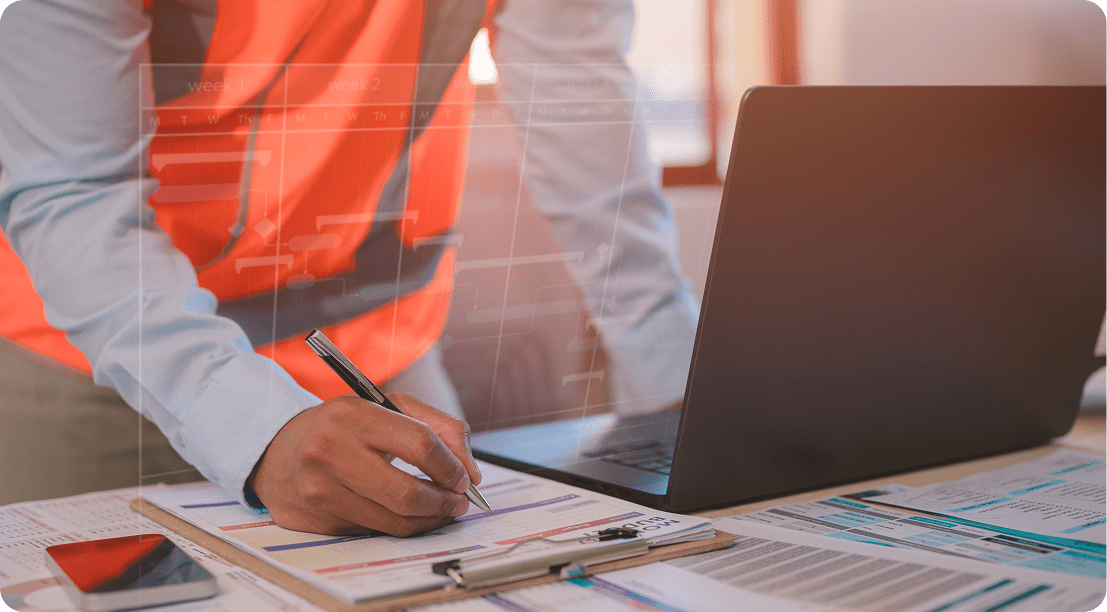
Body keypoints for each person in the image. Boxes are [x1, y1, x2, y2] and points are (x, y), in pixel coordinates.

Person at [0, 0, 700, 535]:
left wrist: (673, 372)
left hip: (374, 343)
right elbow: (74, 191)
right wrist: (252, 423)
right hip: (99, 353)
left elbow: (578, 100)